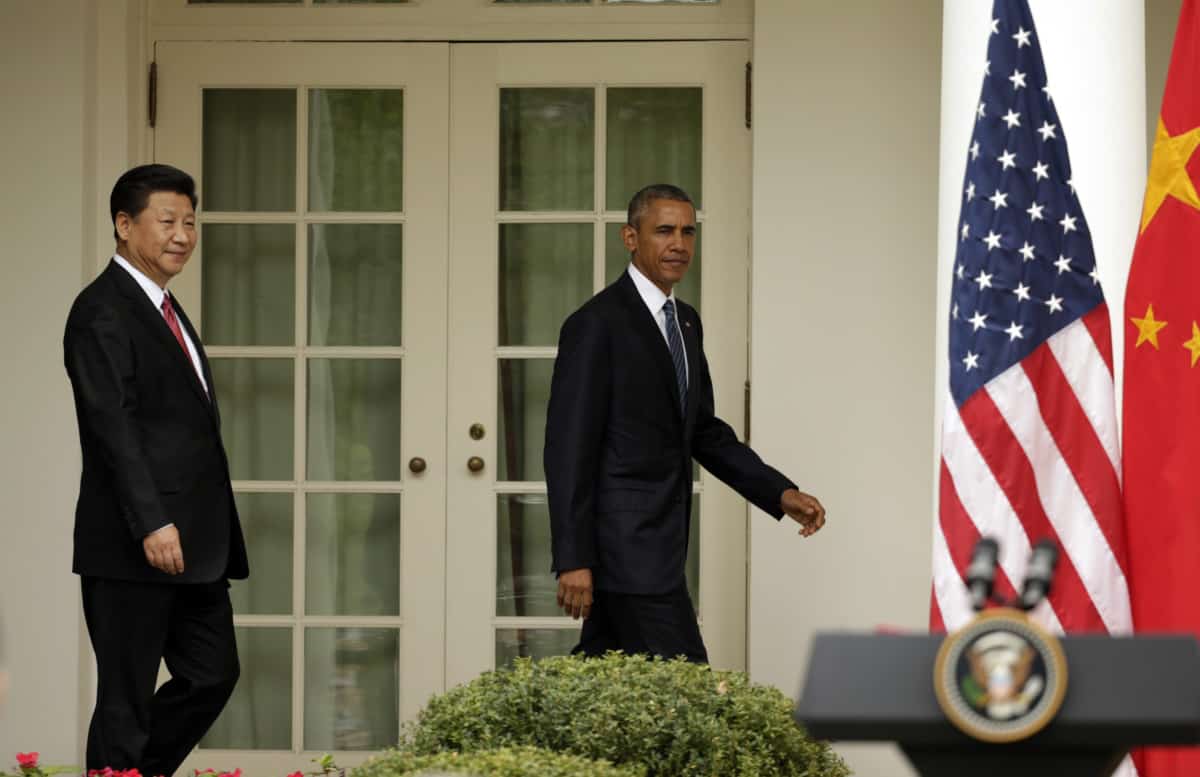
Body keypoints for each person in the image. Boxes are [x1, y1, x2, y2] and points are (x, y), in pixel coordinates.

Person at [544, 183, 826, 664]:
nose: (679, 243)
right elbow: (568, 449)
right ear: (630, 238)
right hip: (625, 549)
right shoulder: (596, 324)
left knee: (611, 686)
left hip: (661, 545)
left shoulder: (686, 322)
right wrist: (573, 558)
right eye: (664, 231)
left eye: (688, 232)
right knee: (688, 685)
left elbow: (702, 432)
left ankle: (524, 741)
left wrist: (778, 492)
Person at [63, 164, 248, 777]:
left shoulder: (164, 306)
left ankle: (132, 773)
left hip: (194, 541)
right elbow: (112, 426)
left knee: (212, 673)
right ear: (124, 225)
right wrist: (152, 521)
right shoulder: (101, 311)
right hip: (133, 541)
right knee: (125, 699)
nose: (183, 235)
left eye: (190, 222)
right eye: (167, 221)